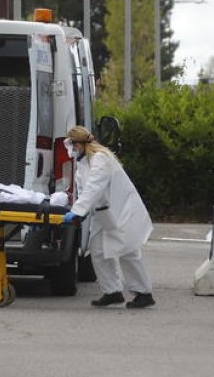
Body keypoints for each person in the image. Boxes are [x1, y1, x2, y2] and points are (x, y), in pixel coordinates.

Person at [62, 126, 156, 309]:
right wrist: (78, 210)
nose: (71, 149)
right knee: (97, 251)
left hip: (121, 211)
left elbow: (94, 187)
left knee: (129, 252)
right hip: (104, 214)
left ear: (79, 144)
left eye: (72, 144)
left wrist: (78, 211)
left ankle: (144, 293)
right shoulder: (84, 163)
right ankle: (112, 292)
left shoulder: (100, 159)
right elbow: (85, 191)